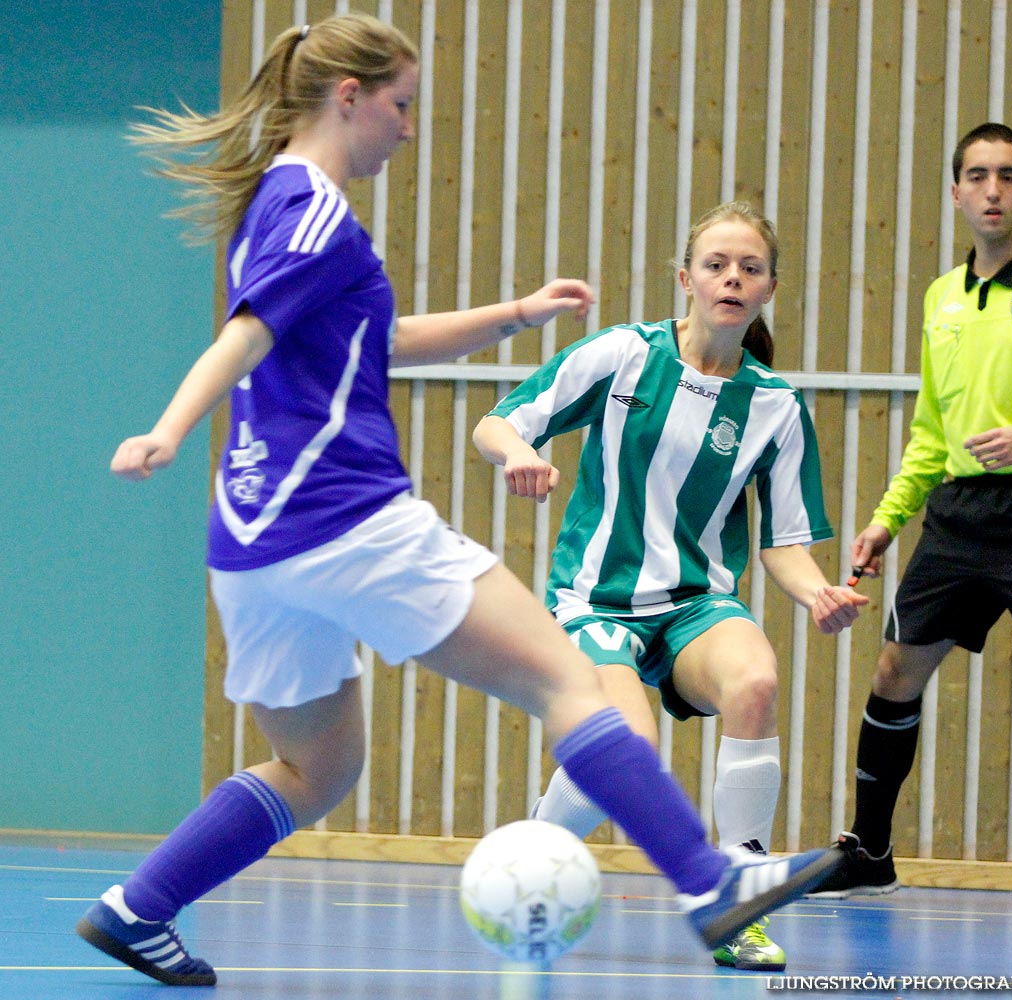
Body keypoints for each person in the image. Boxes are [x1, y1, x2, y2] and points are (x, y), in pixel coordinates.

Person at [73, 14, 840, 987]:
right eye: (402, 106)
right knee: (570, 682)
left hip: (250, 548)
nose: (409, 128)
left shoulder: (277, 204)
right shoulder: (312, 207)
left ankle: (137, 906)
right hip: (348, 520)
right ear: (348, 99)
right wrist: (171, 426)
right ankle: (709, 883)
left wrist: (515, 315)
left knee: (318, 772)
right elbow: (248, 333)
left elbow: (376, 340)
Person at [473, 201, 869, 971]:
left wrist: (816, 591)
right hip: (596, 600)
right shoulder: (622, 354)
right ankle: (535, 858)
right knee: (628, 744)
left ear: (768, 290)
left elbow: (783, 544)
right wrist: (514, 456)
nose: (731, 278)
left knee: (754, 678)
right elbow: (498, 422)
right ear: (684, 279)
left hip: (694, 604)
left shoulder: (775, 406)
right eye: (716, 264)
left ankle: (741, 894)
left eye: (748, 268)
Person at [809, 122, 1012, 898]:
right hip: (957, 516)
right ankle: (870, 852)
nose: (992, 190)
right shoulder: (940, 297)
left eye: (1008, 176)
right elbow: (931, 427)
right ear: (955, 193)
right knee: (892, 672)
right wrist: (887, 517)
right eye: (977, 176)